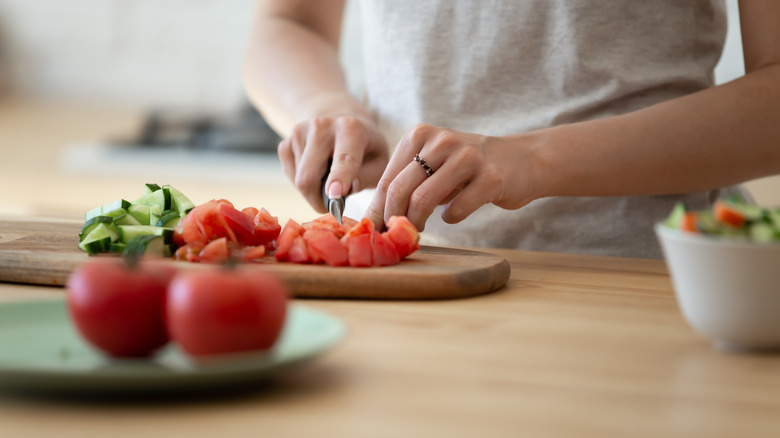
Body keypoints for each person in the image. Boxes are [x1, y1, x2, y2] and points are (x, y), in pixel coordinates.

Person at [243, 0, 780, 258]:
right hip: (397, 273)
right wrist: (329, 107)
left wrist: (534, 158)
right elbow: (289, 23)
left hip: (638, 277)